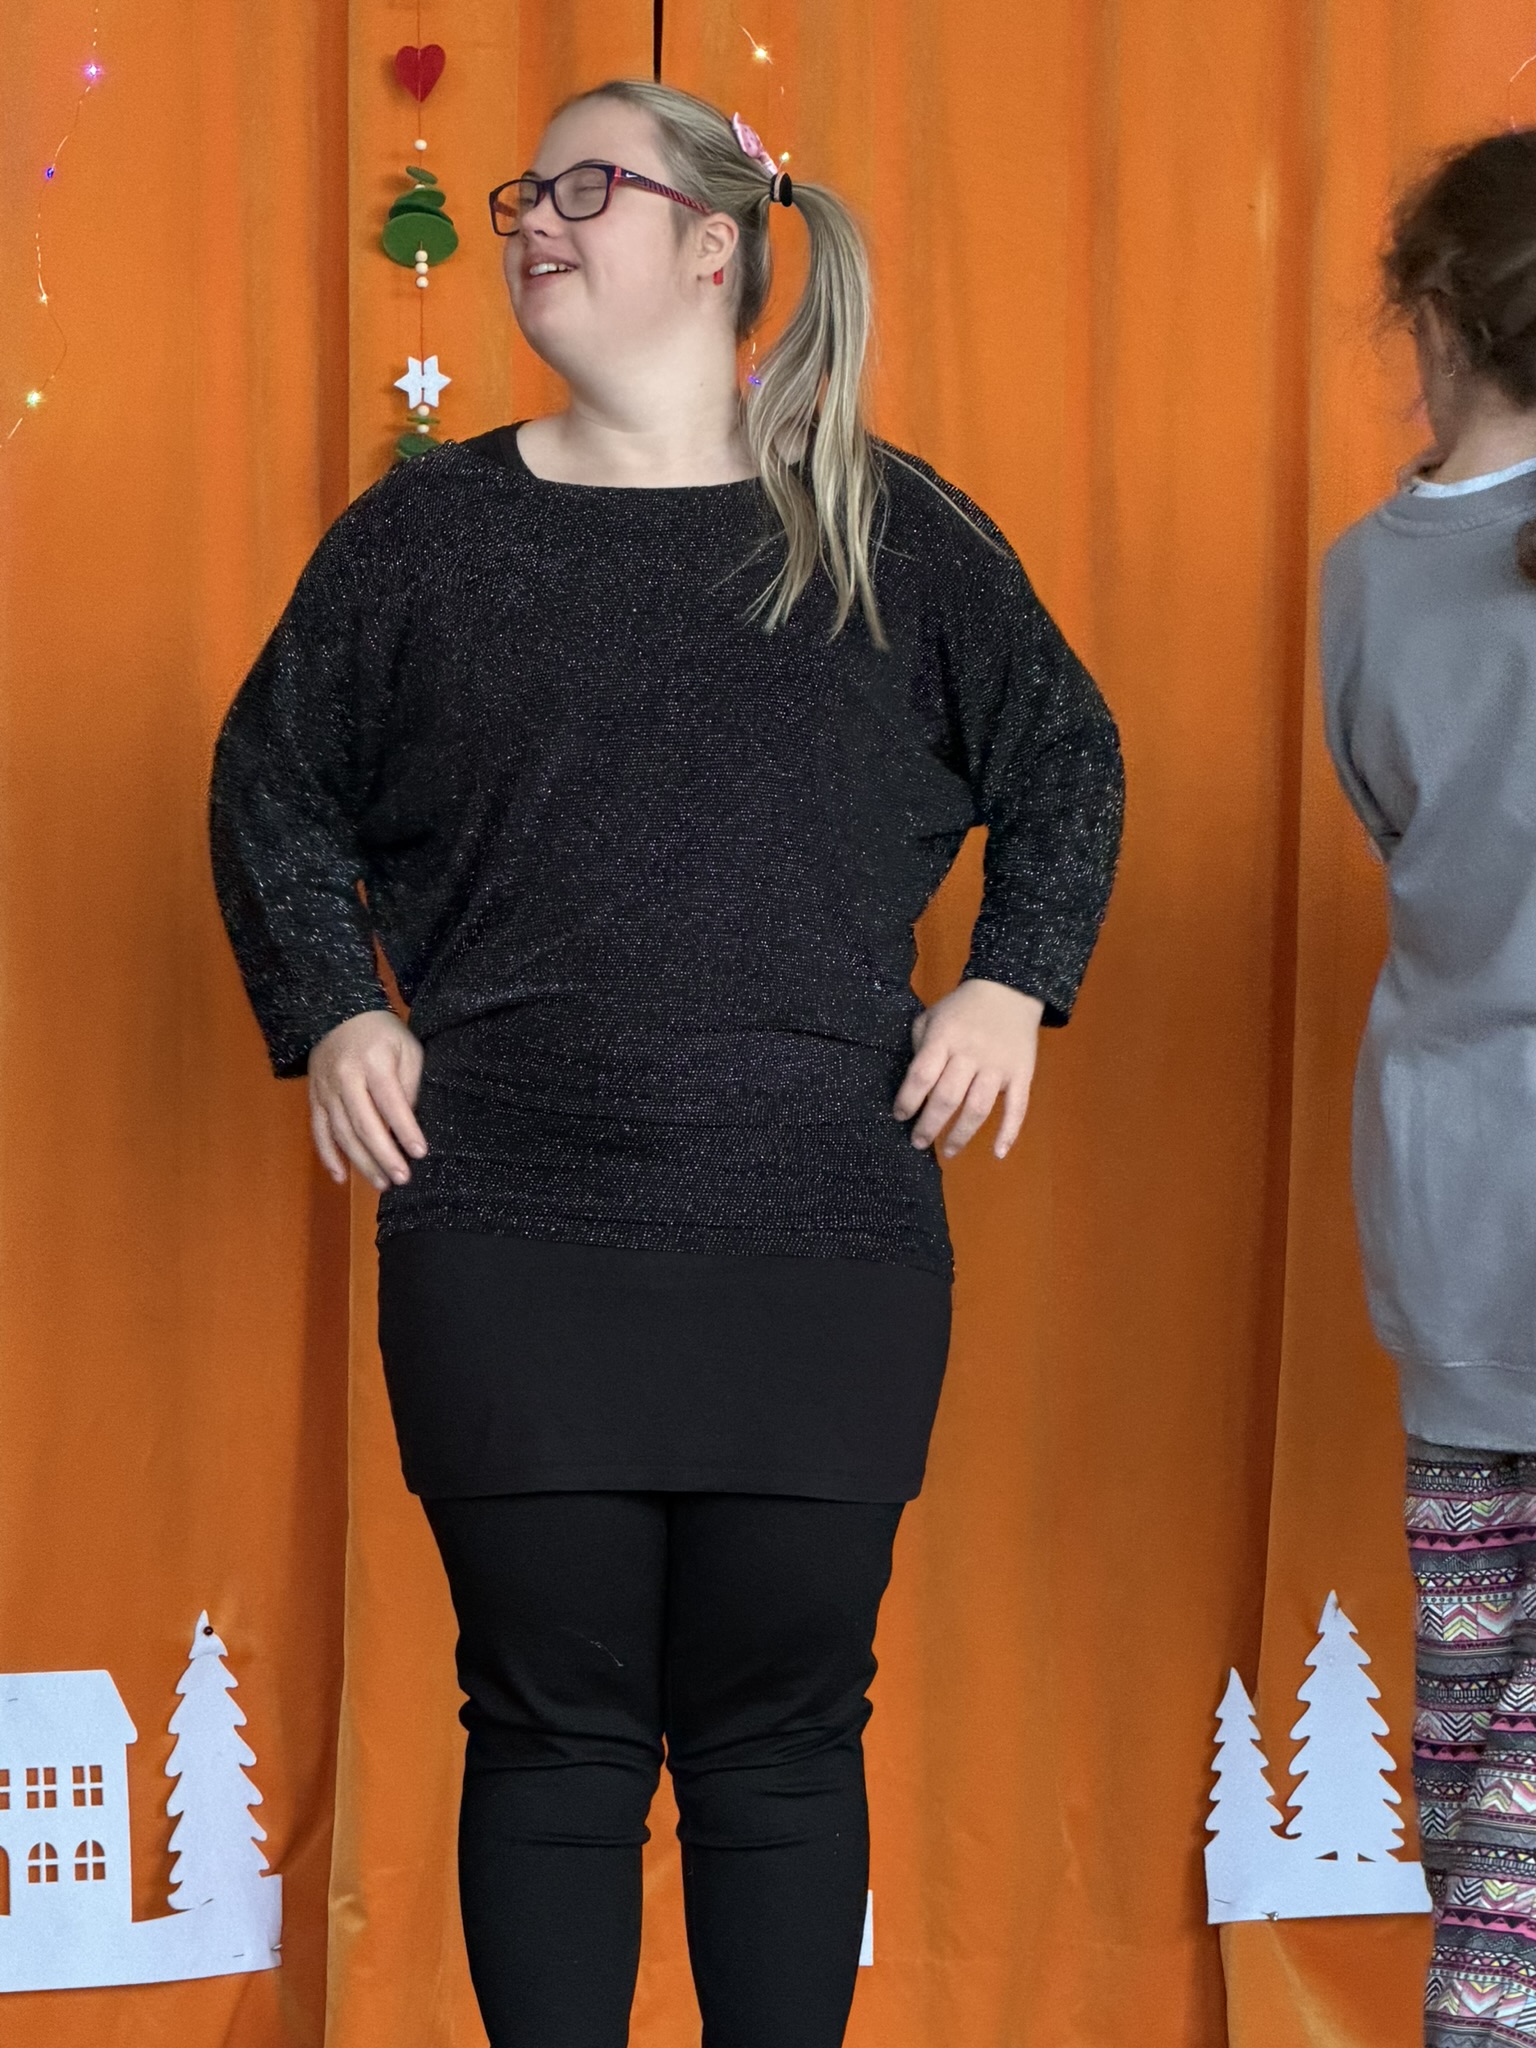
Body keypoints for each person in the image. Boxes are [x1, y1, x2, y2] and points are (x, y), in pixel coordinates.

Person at [208, 76, 1123, 2048]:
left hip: (820, 1236)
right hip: (512, 1228)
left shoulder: (887, 528)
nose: (532, 218)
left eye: (585, 188)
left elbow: (1067, 756)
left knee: (783, 1737)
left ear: (715, 245)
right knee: (551, 1729)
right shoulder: (423, 539)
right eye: (521, 192)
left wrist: (1011, 984)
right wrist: (335, 1004)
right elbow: (270, 779)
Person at [1320, 128, 1536, 2046]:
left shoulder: (1369, 579)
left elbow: (1397, 833)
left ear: (1435, 314)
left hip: (1453, 1185)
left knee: (1475, 1731)